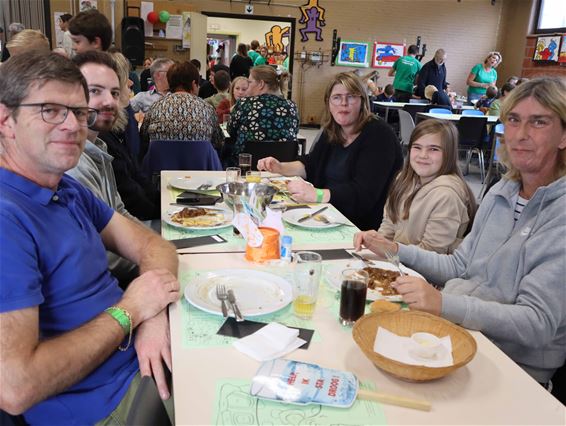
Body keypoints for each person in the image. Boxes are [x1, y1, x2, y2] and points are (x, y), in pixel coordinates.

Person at [0, 50, 179, 424]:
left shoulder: (65, 188)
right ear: (5, 119)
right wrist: (130, 312)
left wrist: (152, 317)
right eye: (50, 110)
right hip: (113, 405)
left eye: (80, 112)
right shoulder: (8, 218)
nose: (72, 125)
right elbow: (14, 389)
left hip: (148, 358)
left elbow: (153, 245)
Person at [353, 77, 566, 389]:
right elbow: (459, 265)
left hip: (511, 369)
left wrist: (443, 303)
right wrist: (394, 250)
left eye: (538, 122)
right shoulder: (501, 191)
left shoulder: (559, 214)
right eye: (514, 120)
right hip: (452, 334)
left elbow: (537, 324)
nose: (520, 135)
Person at [258, 72, 402, 230]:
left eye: (351, 96)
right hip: (326, 215)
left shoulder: (379, 134)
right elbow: (312, 165)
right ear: (328, 103)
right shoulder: (332, 131)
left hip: (360, 227)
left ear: (362, 101)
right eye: (337, 97)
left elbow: (364, 195)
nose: (343, 103)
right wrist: (280, 167)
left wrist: (317, 194)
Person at [370, 119, 476, 254]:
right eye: (417, 147)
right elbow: (389, 225)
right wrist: (376, 247)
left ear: (449, 154)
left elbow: (432, 253)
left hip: (421, 271)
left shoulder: (447, 195)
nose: (423, 155)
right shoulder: (403, 180)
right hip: (396, 259)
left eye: (433, 149)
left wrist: (390, 251)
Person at [96, 51, 160, 220]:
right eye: (126, 80)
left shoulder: (115, 130)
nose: (132, 82)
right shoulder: (104, 138)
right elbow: (128, 194)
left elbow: (135, 174)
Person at [140, 61, 224, 157]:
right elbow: (218, 142)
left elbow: (144, 139)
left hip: (161, 168)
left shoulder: (155, 107)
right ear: (193, 84)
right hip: (199, 168)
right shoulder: (207, 109)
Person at [226, 65, 299, 166]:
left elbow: (231, 131)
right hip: (282, 165)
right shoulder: (291, 106)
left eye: (250, 82)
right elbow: (295, 132)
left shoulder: (244, 104)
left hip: (248, 164)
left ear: (261, 84)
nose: (248, 86)